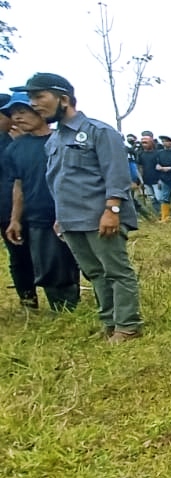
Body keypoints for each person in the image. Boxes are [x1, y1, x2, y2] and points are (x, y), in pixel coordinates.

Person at [23, 72, 144, 342]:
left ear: (63, 98)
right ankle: (110, 322)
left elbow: (117, 175)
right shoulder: (53, 140)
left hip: (100, 217)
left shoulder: (98, 132)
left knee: (116, 271)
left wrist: (112, 210)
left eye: (40, 97)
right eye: (31, 98)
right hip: (71, 220)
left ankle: (128, 325)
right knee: (95, 273)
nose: (34, 104)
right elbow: (57, 181)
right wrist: (59, 217)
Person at [2, 91, 80, 312]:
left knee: (87, 263)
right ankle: (64, 312)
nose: (17, 118)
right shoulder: (15, 148)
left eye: (23, 112)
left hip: (72, 213)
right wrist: (15, 219)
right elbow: (18, 186)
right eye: (13, 114)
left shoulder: (63, 140)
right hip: (38, 217)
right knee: (51, 267)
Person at [0, 91, 35, 310]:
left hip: (34, 207)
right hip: (5, 212)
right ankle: (28, 301)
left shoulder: (29, 139)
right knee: (18, 256)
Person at [137, 133, 163, 216]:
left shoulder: (158, 153)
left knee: (159, 198)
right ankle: (158, 213)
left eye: (146, 142)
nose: (144, 144)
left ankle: (165, 214)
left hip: (157, 179)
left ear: (151, 142)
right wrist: (141, 180)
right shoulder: (140, 154)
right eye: (143, 142)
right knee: (152, 198)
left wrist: (161, 179)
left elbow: (161, 166)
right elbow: (140, 167)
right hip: (146, 180)